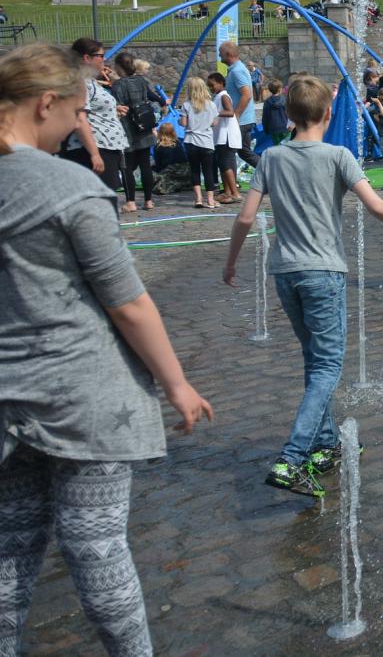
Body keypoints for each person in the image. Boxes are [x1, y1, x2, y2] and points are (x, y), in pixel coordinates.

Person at [0, 43, 213, 655]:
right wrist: (176, 384)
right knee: (96, 548)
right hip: (83, 397)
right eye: (75, 113)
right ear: (45, 104)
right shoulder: (68, 187)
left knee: (10, 552)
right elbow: (127, 302)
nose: (78, 126)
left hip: (7, 396)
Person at [223, 73, 383, 498]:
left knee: (314, 361)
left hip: (285, 273)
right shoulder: (337, 155)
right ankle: (292, 458)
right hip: (323, 272)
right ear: (328, 114)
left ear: (288, 114)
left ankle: (326, 443)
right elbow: (375, 204)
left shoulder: (271, 157)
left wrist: (231, 262)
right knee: (328, 365)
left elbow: (245, 217)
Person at [61, 38, 128, 193]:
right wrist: (95, 154)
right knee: (101, 197)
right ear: (87, 58)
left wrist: (113, 110)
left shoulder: (89, 81)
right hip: (95, 148)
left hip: (106, 146)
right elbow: (80, 118)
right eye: (101, 56)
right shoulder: (80, 81)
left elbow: (90, 107)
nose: (104, 59)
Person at [111, 54, 164, 213]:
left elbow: (117, 106)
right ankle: (149, 201)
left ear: (119, 67)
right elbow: (150, 97)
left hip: (128, 128)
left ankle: (131, 202)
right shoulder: (141, 80)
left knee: (127, 167)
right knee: (145, 165)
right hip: (144, 125)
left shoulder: (118, 85)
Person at [179, 76, 219, 208]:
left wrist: (180, 120)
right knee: (208, 171)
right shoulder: (212, 105)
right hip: (206, 141)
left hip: (191, 141)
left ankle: (198, 199)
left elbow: (183, 123)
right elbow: (214, 123)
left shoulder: (186, 105)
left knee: (195, 170)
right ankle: (211, 200)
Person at [220, 43, 258, 169]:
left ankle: (231, 185)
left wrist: (236, 114)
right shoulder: (237, 69)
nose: (219, 55)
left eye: (221, 53)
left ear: (229, 54)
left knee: (228, 154)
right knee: (244, 152)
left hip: (241, 121)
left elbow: (247, 94)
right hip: (245, 120)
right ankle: (270, 172)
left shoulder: (237, 71)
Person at [207, 72, 242, 203]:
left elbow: (230, 112)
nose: (211, 88)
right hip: (221, 136)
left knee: (226, 164)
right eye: (209, 86)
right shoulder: (218, 97)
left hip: (226, 136)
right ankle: (227, 192)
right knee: (223, 165)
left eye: (212, 85)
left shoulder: (223, 96)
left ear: (221, 83)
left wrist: (215, 113)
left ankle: (235, 193)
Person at [260, 78, 290, 149]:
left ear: (270, 90)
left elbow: (265, 117)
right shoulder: (285, 100)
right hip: (286, 127)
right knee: (287, 146)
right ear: (280, 89)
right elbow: (290, 114)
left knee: (277, 146)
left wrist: (266, 129)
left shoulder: (267, 102)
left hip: (273, 128)